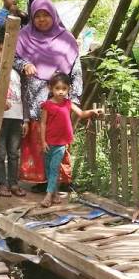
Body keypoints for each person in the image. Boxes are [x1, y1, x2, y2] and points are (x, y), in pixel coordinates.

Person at [13, 0, 82, 190]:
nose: (42, 20)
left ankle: (63, 179)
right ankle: (41, 180)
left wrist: (74, 98)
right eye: (37, 16)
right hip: (35, 99)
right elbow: (12, 58)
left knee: (59, 139)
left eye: (46, 15)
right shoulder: (23, 37)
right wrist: (25, 64)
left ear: (53, 15)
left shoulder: (66, 39)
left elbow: (76, 71)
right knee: (38, 138)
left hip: (60, 100)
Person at [40, 73, 102, 207]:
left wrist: (93, 111)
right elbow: (43, 124)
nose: (61, 91)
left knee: (55, 168)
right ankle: (55, 193)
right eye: (57, 88)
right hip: (48, 142)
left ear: (69, 89)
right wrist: (43, 142)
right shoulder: (46, 105)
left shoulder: (68, 103)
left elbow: (81, 114)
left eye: (64, 88)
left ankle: (48, 196)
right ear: (51, 89)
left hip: (61, 144)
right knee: (49, 170)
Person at [0, 34, 28, 197]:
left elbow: (24, 96)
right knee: (0, 153)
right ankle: (2, 185)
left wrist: (25, 119)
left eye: (7, 50)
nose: (3, 54)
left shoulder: (18, 73)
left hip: (17, 117)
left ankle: (14, 184)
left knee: (14, 153)